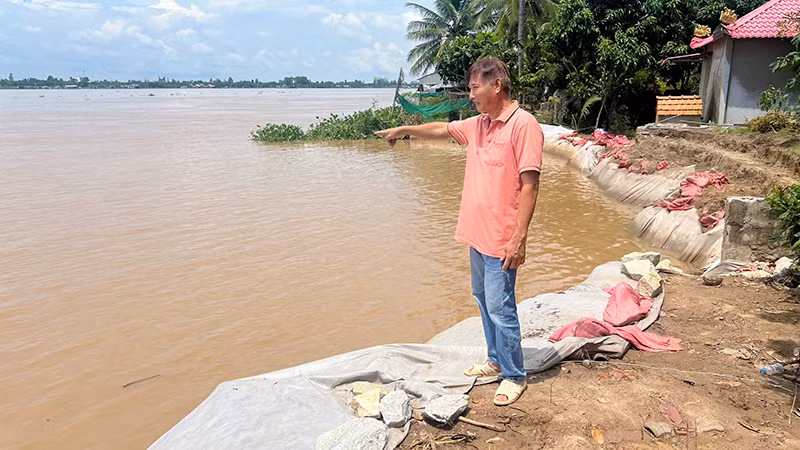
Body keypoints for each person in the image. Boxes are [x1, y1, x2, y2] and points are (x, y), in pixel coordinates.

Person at [375, 58, 543, 406]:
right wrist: (403, 131)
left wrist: (519, 236)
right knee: (483, 301)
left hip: (501, 238)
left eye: (474, 88)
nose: (470, 96)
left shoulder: (523, 125)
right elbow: (441, 129)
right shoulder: (480, 124)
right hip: (476, 234)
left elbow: (530, 185)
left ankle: (514, 375)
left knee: (501, 307)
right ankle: (495, 359)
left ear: (496, 85)